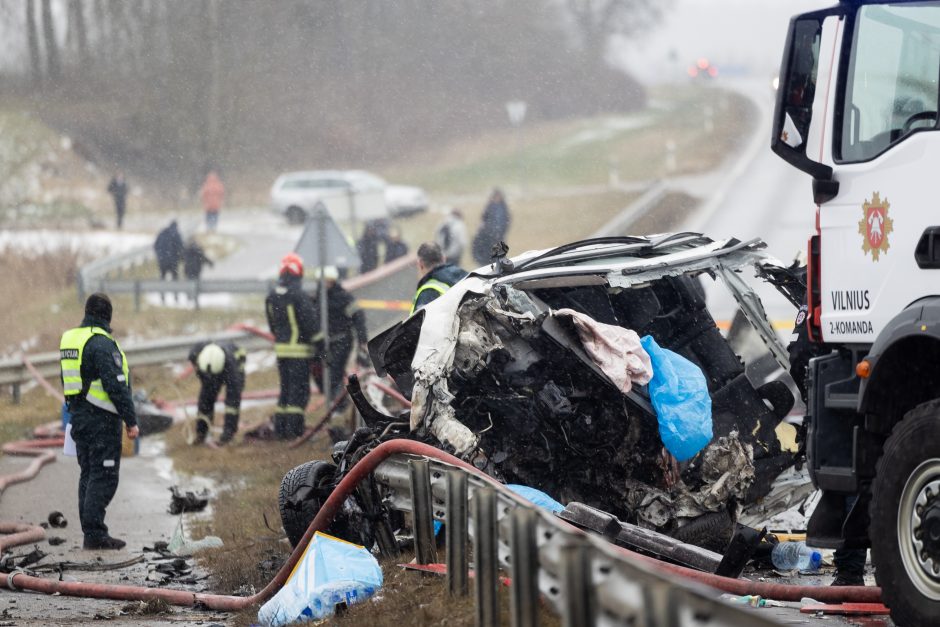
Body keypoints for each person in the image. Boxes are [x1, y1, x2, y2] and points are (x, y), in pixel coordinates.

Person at [787, 266, 867, 587]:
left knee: (846, 481)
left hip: (838, 392)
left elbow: (800, 353)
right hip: (874, 387)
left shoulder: (824, 286)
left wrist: (815, 395)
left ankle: (849, 574)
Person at [59, 293, 138, 550]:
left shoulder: (71, 339)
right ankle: (94, 534)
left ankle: (90, 531)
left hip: (78, 417)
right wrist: (131, 420)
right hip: (101, 420)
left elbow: (68, 380)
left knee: (89, 473)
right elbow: (115, 387)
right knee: (103, 476)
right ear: (108, 316)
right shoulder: (102, 344)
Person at [265, 253, 317, 439]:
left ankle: (280, 429)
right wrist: (320, 345)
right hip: (300, 352)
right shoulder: (299, 296)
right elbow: (310, 324)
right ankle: (295, 431)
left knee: (285, 390)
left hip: (282, 351)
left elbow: (272, 325)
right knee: (299, 392)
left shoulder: (272, 297)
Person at [310, 266, 368, 402]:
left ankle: (338, 405)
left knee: (334, 373)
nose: (326, 284)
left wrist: (362, 341)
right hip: (322, 344)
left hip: (342, 341)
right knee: (320, 374)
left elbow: (358, 317)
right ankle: (336, 399)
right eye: (323, 281)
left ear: (334, 281)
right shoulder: (314, 299)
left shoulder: (343, 298)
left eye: (329, 281)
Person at [187, 341, 246, 445]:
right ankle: (201, 432)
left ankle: (229, 433)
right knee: (205, 400)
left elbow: (233, 403)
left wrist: (227, 434)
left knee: (232, 404)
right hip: (210, 369)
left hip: (235, 366)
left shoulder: (232, 372)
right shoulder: (195, 353)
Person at [411, 242, 468, 314]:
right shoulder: (465, 276)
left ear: (420, 264)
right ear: (443, 258)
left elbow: (419, 324)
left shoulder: (427, 293)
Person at [472, 188, 511, 266]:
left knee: (499, 255)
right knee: (489, 255)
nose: (497, 198)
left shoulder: (503, 207)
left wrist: (501, 231)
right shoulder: (489, 207)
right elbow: (484, 218)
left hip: (499, 236)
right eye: (496, 196)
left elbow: (507, 221)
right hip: (489, 236)